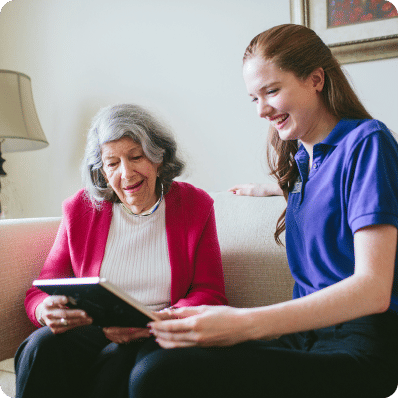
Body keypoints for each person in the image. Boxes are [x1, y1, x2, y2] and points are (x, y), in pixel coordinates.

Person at [136, 24, 398, 398]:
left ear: (316, 80)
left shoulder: (367, 142)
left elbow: (373, 290)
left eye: (271, 91)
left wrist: (244, 323)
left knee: (161, 375)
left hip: (360, 346)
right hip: (303, 341)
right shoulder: (302, 166)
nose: (261, 110)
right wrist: (272, 188)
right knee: (154, 355)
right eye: (253, 98)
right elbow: (326, 196)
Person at [14, 103, 227, 398]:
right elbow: (40, 290)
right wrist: (43, 309)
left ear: (158, 158)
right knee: (41, 346)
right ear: (101, 170)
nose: (126, 173)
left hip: (163, 331)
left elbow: (210, 291)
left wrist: (162, 320)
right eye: (112, 163)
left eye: (135, 157)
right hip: (97, 331)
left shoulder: (194, 205)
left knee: (131, 368)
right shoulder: (80, 209)